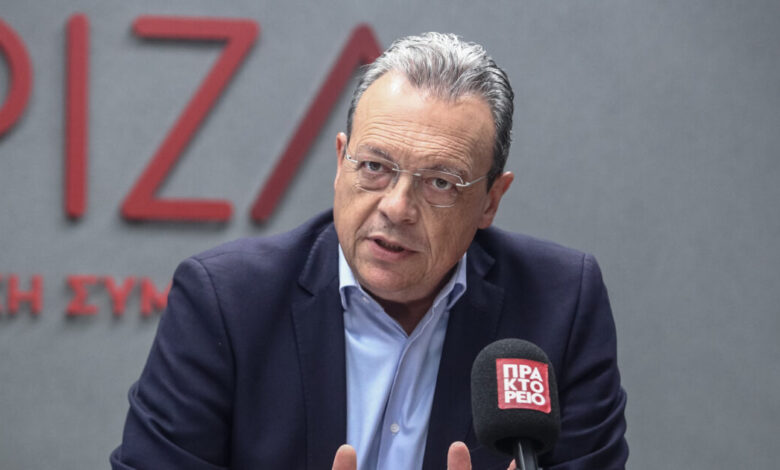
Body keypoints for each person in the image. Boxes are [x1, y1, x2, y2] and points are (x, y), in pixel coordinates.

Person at [111, 32, 628, 470]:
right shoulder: (225, 301)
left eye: (440, 182)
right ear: (341, 162)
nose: (397, 207)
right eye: (375, 167)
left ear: (491, 200)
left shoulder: (560, 305)